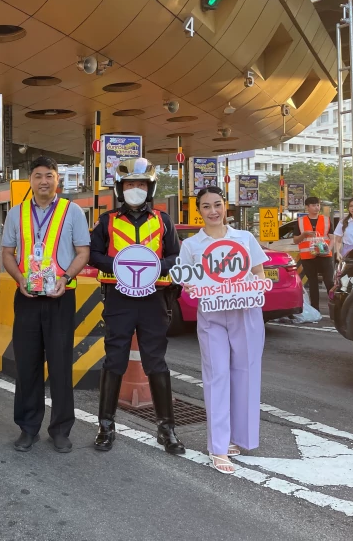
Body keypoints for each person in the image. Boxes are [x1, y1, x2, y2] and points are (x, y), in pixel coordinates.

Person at [88, 158, 185, 455]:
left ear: (150, 188)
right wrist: (121, 265)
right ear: (120, 188)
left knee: (156, 362)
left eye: (141, 184)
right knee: (114, 359)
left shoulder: (163, 220)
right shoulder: (107, 221)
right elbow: (93, 254)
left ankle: (166, 428)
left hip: (154, 299)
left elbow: (175, 256)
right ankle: (106, 426)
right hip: (119, 298)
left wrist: (153, 266)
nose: (135, 189)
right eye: (130, 184)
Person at [0, 156, 90, 453]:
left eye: (49, 176)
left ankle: (61, 429)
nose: (43, 181)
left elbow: (82, 252)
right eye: (38, 176)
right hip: (26, 297)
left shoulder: (72, 211)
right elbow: (8, 253)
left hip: (60, 297)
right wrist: (19, 279)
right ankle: (28, 428)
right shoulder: (16, 213)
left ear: (57, 180)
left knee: (62, 364)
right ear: (31, 180)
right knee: (26, 365)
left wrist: (65, 277)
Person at [179, 186, 267, 474]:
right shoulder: (192, 245)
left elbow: (259, 271)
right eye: (206, 206)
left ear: (225, 206)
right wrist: (191, 286)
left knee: (247, 373)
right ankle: (218, 447)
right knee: (217, 375)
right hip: (212, 314)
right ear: (199, 211)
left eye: (217, 204)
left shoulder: (244, 237)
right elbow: (186, 279)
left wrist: (253, 288)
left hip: (246, 312)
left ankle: (240, 438)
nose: (213, 211)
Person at [293, 196, 333, 312]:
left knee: (329, 282)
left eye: (318, 205)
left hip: (325, 256)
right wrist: (304, 234)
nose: (317, 207)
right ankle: (316, 309)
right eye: (314, 205)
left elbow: (333, 238)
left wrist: (328, 249)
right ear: (307, 207)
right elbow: (296, 240)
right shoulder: (300, 222)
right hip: (308, 257)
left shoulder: (325, 220)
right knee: (313, 283)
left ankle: (335, 308)